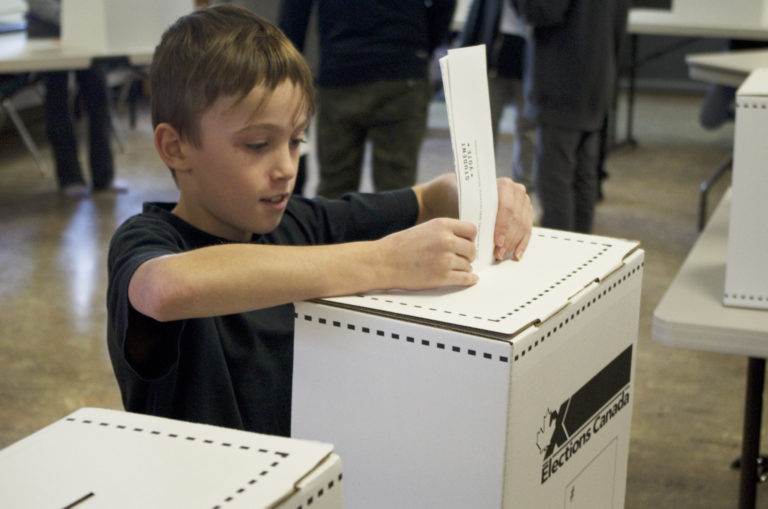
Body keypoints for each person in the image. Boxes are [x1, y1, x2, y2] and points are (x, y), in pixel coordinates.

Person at [106, 5, 533, 437]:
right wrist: (384, 262)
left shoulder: (298, 223)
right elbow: (163, 289)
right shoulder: (148, 240)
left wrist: (488, 192)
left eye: (295, 141)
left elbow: (430, 195)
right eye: (257, 145)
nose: (286, 168)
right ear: (175, 147)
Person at [278, 0, 456, 198]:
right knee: (396, 190)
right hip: (402, 66)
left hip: (341, 65)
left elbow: (295, 11)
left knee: (335, 188)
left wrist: (287, 68)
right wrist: (423, 45)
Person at [511, 0, 628, 233]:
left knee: (556, 181)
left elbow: (542, 11)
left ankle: (560, 259)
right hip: (596, 75)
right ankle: (581, 251)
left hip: (563, 81)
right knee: (583, 177)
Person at [26, 0, 123, 197]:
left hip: (85, 32)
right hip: (48, 32)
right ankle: (70, 178)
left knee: (99, 99)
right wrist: (74, 20)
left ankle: (104, 177)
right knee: (57, 103)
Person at [458, 0, 535, 193]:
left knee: (528, 132)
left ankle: (523, 193)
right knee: (483, 130)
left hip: (531, 62)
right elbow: (477, 13)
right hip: (494, 57)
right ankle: (479, 194)